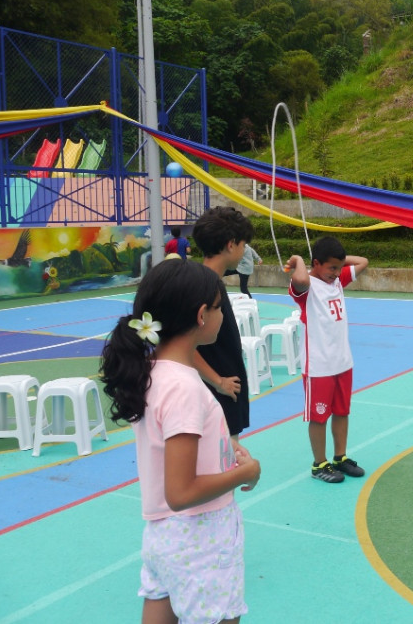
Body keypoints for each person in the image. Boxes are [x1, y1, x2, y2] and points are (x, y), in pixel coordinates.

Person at [99, 259, 261, 622]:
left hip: (164, 537)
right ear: (202, 315)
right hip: (200, 537)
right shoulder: (184, 387)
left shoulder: (154, 373)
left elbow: (170, 447)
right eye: (220, 307)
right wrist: (247, 472)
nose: (223, 315)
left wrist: (225, 450)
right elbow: (181, 492)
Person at [287, 236, 369, 483]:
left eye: (339, 268)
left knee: (342, 412)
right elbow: (301, 279)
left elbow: (363, 261)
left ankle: (340, 457)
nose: (336, 273)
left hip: (342, 362)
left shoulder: (337, 281)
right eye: (332, 267)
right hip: (319, 366)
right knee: (319, 416)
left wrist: (339, 262)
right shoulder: (307, 288)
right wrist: (298, 259)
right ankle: (319, 464)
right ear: (316, 263)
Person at [192, 206, 254, 443]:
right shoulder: (204, 287)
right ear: (231, 244)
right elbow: (182, 344)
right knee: (224, 459)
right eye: (243, 244)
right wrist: (218, 382)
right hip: (217, 391)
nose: (243, 250)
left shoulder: (210, 282)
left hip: (225, 386)